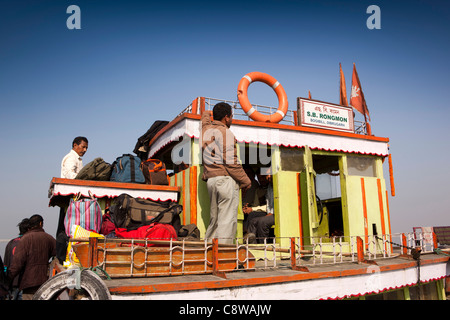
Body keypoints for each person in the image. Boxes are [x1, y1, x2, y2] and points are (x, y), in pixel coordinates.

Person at [201, 103, 251, 244]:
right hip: (225, 181)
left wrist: (206, 113)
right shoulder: (226, 133)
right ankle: (223, 256)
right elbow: (231, 163)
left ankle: (209, 253)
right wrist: (246, 181)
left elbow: (204, 121)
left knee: (214, 220)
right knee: (227, 221)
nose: (232, 120)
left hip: (211, 181)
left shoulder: (206, 130)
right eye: (231, 116)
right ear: (226, 117)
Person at [8, 214, 56, 300]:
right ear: (41, 223)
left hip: (28, 283)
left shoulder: (25, 239)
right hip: (45, 283)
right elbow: (59, 254)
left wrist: (8, 280)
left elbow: (17, 264)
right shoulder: (49, 238)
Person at [57, 136, 88, 236]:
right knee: (64, 226)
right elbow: (72, 177)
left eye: (86, 148)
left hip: (72, 197)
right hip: (69, 196)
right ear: (75, 145)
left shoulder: (77, 159)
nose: (85, 150)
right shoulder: (71, 158)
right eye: (83, 147)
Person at [243, 168, 274, 244]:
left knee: (262, 222)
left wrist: (252, 209)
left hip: (276, 213)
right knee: (253, 219)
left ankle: (262, 245)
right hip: (268, 212)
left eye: (263, 177)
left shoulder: (277, 186)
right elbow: (268, 203)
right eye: (267, 175)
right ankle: (251, 242)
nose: (268, 177)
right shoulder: (268, 188)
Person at [3, 218, 30, 300]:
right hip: (25, 283)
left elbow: (5, 265)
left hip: (11, 282)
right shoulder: (28, 243)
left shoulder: (11, 243)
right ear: (29, 229)